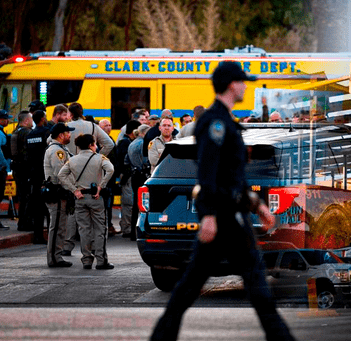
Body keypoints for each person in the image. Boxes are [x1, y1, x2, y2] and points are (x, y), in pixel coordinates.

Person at [149, 61, 295, 341]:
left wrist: (257, 205)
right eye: (242, 81)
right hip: (223, 220)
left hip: (235, 219)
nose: (245, 86)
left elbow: (233, 177)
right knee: (189, 290)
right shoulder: (215, 123)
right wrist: (209, 216)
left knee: (255, 292)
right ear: (231, 84)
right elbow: (208, 173)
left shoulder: (227, 122)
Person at [58, 134, 115, 270]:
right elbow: (110, 169)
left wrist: (73, 190)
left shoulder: (72, 160)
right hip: (95, 197)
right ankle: (101, 260)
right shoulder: (99, 158)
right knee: (100, 229)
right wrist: (101, 185)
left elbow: (61, 175)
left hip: (80, 198)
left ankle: (87, 260)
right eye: (95, 144)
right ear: (91, 145)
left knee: (84, 230)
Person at [44, 123, 75, 267]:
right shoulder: (57, 151)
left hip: (61, 193)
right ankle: (54, 258)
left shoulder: (61, 149)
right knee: (56, 227)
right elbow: (61, 174)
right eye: (68, 133)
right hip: (57, 193)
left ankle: (57, 256)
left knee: (60, 227)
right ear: (61, 135)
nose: (70, 135)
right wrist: (73, 188)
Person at [24, 110, 50, 243]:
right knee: (49, 207)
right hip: (45, 174)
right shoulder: (46, 132)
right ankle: (51, 237)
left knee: (37, 207)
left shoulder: (30, 135)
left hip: (34, 174)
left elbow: (27, 155)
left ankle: (37, 235)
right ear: (42, 118)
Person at [125, 124, 151, 240]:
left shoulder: (132, 143)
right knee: (143, 203)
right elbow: (146, 160)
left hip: (134, 174)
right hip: (142, 175)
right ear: (144, 132)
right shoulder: (142, 144)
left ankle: (132, 233)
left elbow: (126, 160)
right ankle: (141, 231)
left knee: (136, 203)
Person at [116, 120, 141, 238]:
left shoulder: (127, 142)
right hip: (127, 176)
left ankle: (129, 227)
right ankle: (126, 228)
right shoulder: (125, 143)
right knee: (128, 203)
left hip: (128, 175)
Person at [10, 111, 33, 231]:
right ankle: (25, 222)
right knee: (26, 196)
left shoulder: (15, 131)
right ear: (26, 120)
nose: (32, 122)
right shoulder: (27, 133)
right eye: (31, 119)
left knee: (21, 196)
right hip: (24, 169)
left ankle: (22, 222)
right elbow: (27, 153)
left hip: (17, 168)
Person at [98, 119, 118, 236]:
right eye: (106, 125)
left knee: (109, 204)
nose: (109, 127)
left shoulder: (111, 140)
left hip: (110, 178)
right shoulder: (99, 141)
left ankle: (108, 224)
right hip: (101, 177)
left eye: (110, 125)